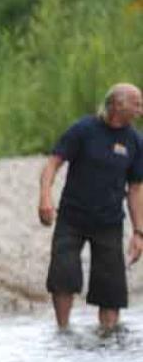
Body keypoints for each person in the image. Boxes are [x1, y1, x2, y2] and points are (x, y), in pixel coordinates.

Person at [37, 82, 143, 331]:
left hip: (109, 222)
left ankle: (108, 337)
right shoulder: (84, 130)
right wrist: (45, 197)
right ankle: (63, 330)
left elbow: (136, 189)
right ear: (117, 104)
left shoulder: (135, 141)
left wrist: (139, 232)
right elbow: (53, 163)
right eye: (136, 104)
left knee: (111, 289)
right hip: (72, 217)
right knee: (63, 276)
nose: (141, 109)